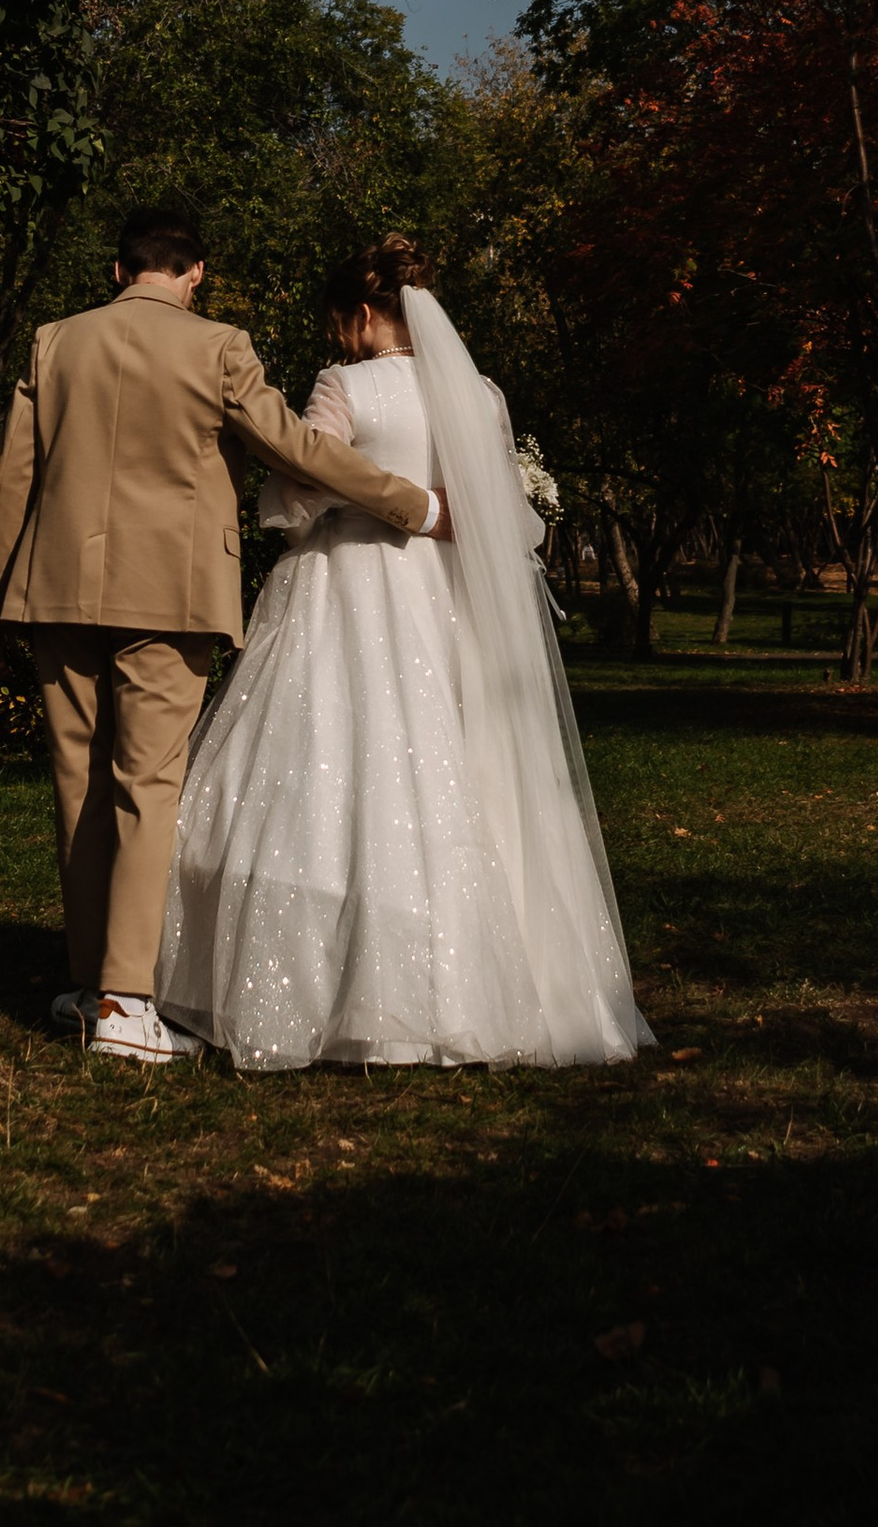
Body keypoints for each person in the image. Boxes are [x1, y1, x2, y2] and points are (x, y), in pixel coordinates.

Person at [157, 236, 651, 1070]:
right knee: (459, 771)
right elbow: (500, 511)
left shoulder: (343, 386)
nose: (338, 337)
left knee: (332, 769)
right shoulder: (481, 394)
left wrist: (282, 499)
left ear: (358, 314)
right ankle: (480, 983)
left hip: (347, 585)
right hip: (450, 597)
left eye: (337, 322)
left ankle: (318, 983)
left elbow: (298, 495)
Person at [0, 209, 452, 1065]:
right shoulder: (218, 346)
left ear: (119, 271)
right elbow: (299, 447)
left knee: (77, 784)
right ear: (195, 272)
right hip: (171, 595)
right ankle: (125, 1001)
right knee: (146, 785)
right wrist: (411, 502)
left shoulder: (54, 341)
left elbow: (17, 470)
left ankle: (90, 985)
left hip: (54, 591)